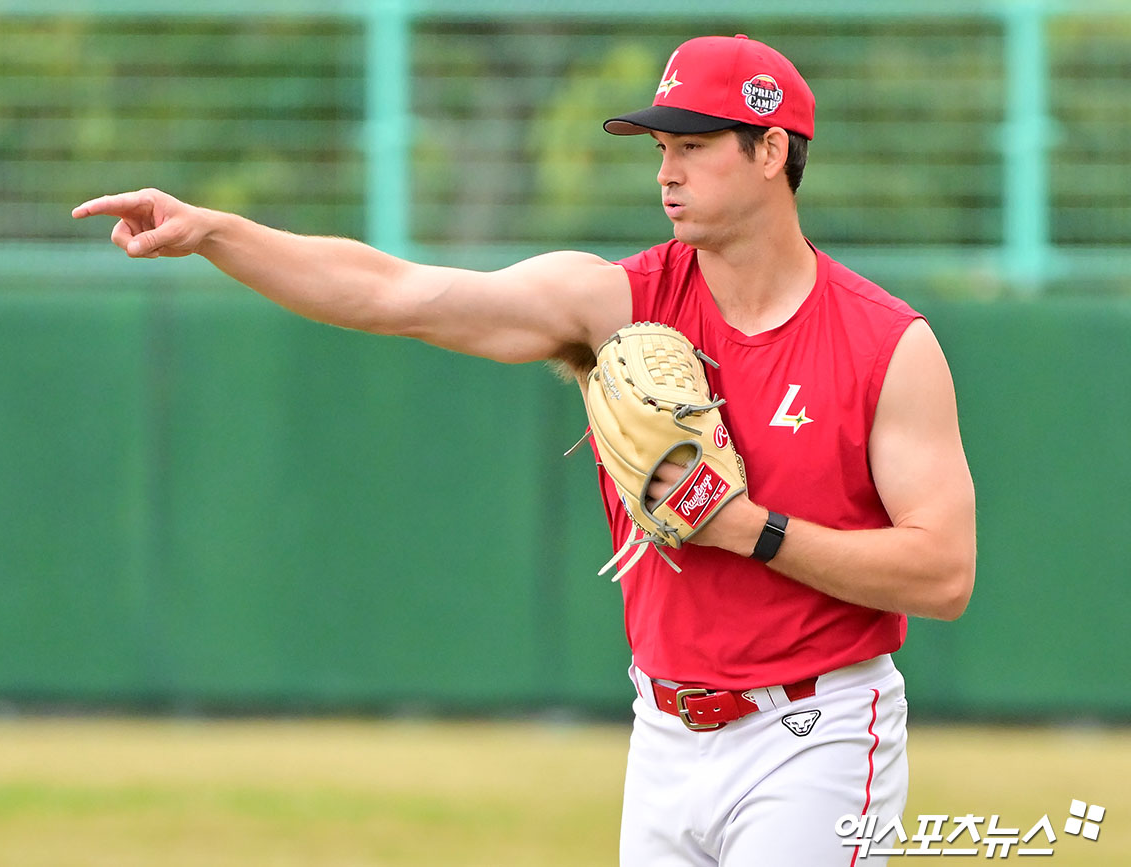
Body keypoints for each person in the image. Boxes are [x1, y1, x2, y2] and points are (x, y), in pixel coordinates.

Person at [73, 34, 975, 866]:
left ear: (772, 150)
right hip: (663, 732)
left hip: (812, 734)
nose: (667, 171)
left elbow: (943, 575)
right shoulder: (615, 303)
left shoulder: (884, 345)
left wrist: (749, 529)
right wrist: (218, 232)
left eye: (694, 145)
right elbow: (400, 293)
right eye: (659, 147)